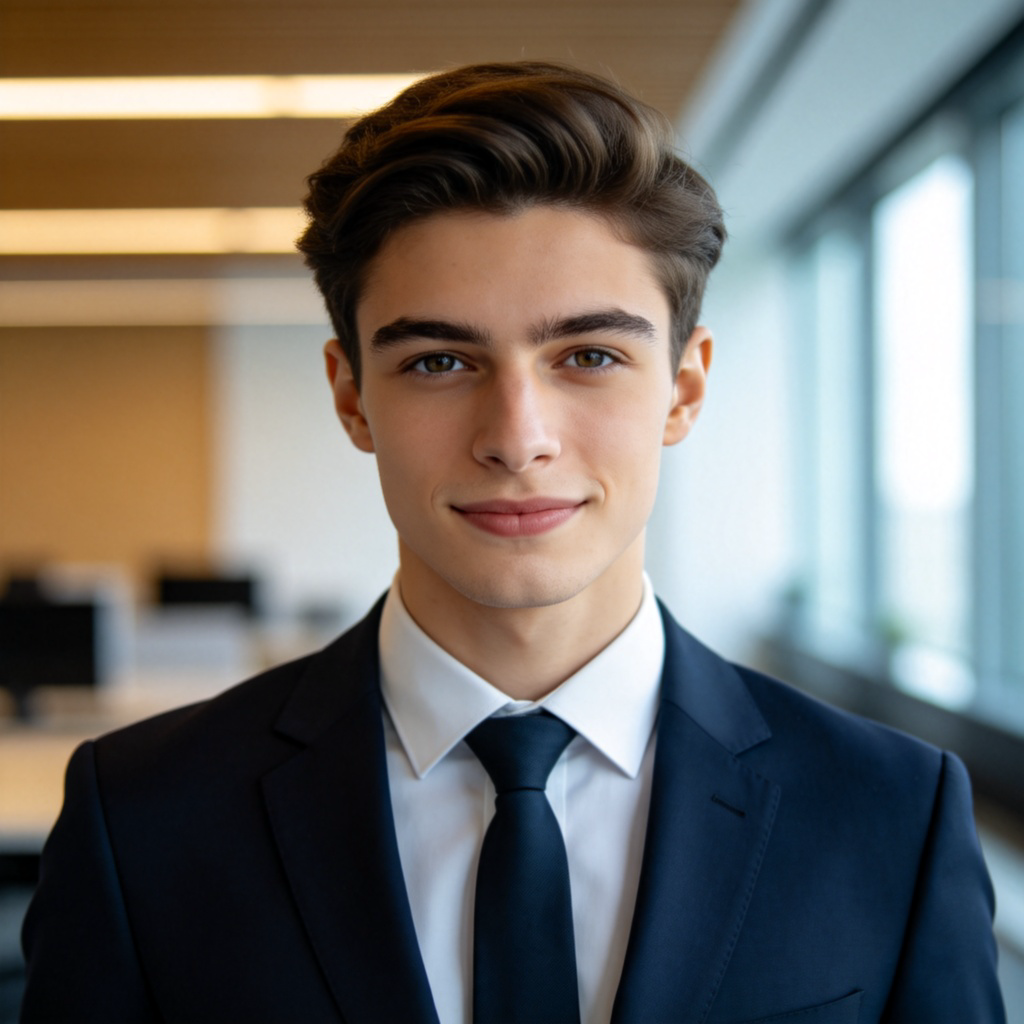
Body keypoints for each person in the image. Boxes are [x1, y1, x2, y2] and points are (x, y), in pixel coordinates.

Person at [20, 62, 1004, 1024]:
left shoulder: (889, 810)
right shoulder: (144, 816)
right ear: (351, 394)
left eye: (589, 356)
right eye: (439, 360)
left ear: (684, 387)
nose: (516, 436)